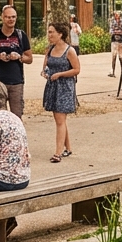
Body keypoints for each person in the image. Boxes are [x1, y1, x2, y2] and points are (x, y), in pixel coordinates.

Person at [0, 5, 33, 118]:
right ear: (2, 18)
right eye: (8, 17)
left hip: (16, 82)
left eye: (13, 17)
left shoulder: (21, 35)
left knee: (16, 117)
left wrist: (19, 57)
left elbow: (29, 58)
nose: (11, 19)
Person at [42, 22, 81, 163]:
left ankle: (58, 153)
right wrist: (45, 72)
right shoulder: (50, 49)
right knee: (60, 120)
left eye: (52, 32)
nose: (49, 35)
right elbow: (46, 64)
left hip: (65, 87)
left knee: (60, 120)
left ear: (60, 34)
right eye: (49, 32)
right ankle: (68, 148)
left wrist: (60, 74)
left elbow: (76, 69)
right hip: (53, 86)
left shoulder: (70, 51)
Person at [108, 10, 122, 76]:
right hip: (114, 40)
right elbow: (111, 31)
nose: (116, 16)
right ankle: (112, 71)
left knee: (121, 57)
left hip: (121, 41)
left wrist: (121, 31)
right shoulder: (112, 22)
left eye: (117, 15)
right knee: (114, 56)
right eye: (115, 15)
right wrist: (118, 31)